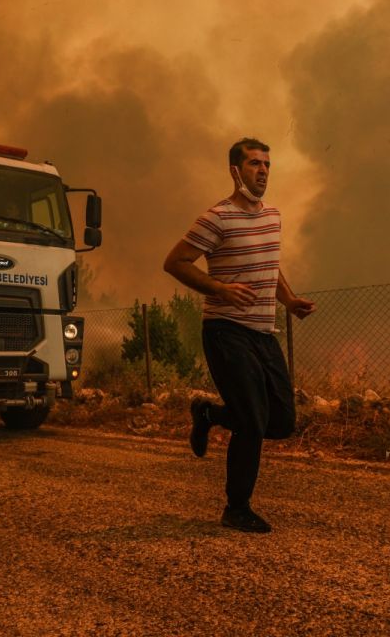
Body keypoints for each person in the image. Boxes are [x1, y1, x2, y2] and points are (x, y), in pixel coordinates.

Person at [163, 137, 316, 533]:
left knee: (280, 421)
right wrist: (219, 289)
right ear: (235, 170)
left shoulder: (273, 217)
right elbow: (175, 262)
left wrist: (289, 299)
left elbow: (268, 265)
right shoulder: (217, 217)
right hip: (225, 330)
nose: (263, 171)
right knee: (251, 419)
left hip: (263, 333)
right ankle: (237, 507)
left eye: (267, 164)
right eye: (254, 164)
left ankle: (209, 413)